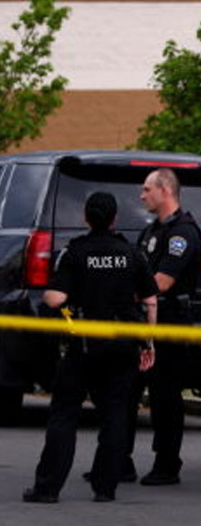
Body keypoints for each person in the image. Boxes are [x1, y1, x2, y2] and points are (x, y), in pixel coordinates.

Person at [23, 192, 157, 504]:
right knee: (115, 414)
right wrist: (147, 342)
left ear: (86, 217)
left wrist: (68, 308)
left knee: (64, 414)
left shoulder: (76, 252)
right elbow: (150, 301)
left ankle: (47, 488)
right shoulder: (131, 253)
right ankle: (105, 487)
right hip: (123, 345)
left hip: (83, 345)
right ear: (114, 220)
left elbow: (54, 299)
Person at [132, 168, 201, 486]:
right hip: (144, 320)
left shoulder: (183, 233)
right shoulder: (151, 233)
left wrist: (120, 292)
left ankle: (167, 463)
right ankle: (118, 459)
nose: (142, 194)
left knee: (165, 394)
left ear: (165, 190)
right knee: (131, 390)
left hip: (171, 321)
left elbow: (161, 282)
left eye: (147, 189)